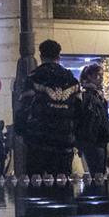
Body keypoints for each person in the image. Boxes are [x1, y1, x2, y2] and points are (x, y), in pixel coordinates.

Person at [15, 40, 82, 174]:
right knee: (62, 184)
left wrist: (22, 131)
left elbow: (23, 108)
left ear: (41, 56)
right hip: (64, 142)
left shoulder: (34, 78)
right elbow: (79, 112)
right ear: (59, 56)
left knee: (37, 184)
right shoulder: (72, 80)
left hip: (38, 142)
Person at [75, 64, 109, 175]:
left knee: (100, 170)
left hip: (98, 139)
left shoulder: (96, 94)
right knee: (97, 171)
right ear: (89, 76)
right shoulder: (88, 95)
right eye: (98, 75)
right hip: (94, 139)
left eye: (101, 75)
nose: (100, 78)